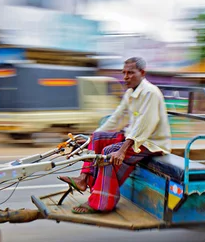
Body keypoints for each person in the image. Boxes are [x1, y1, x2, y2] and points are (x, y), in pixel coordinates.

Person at [58, 57, 172, 214]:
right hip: (134, 137)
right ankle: (83, 179)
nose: (126, 77)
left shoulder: (150, 93)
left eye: (130, 73)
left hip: (150, 143)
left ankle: (102, 202)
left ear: (142, 73)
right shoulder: (130, 93)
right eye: (124, 73)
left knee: (108, 154)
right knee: (98, 139)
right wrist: (92, 137)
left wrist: (122, 149)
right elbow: (116, 117)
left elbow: (145, 124)